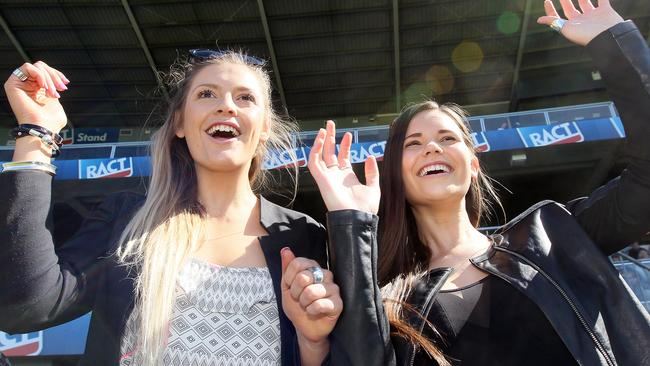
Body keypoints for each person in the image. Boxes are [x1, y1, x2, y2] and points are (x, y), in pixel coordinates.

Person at [312, 0, 650, 365]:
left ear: (472, 164)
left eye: (447, 139)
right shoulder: (389, 301)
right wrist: (352, 221)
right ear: (396, 174)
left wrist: (616, 46)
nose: (431, 147)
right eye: (413, 143)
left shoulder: (554, 239)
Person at [0, 50, 349, 365]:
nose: (226, 106)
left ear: (264, 127)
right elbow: (25, 306)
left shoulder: (303, 235)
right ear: (180, 122)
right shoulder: (128, 220)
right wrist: (36, 135)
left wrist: (313, 340)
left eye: (245, 97)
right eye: (206, 94)